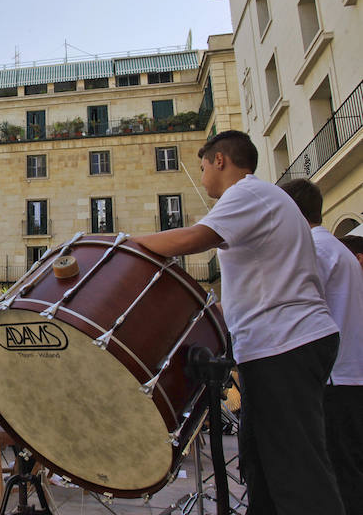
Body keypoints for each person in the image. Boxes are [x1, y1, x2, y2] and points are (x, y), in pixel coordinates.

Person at [134, 130, 343, 514]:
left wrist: (125, 244)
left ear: (220, 160)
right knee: (263, 465)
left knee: (296, 468)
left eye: (201, 167)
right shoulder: (260, 199)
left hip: (286, 343)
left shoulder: (247, 193)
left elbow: (194, 238)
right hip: (277, 345)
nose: (201, 178)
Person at [281, 179, 363, 514]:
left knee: (336, 477)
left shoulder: (312, 251)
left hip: (332, 379)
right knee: (350, 472)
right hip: (349, 376)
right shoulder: (337, 249)